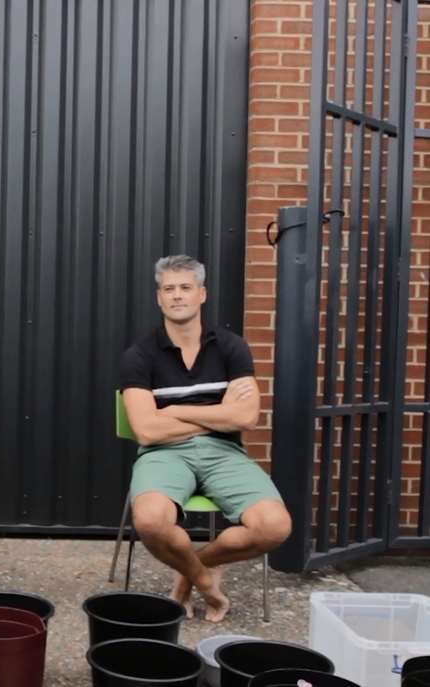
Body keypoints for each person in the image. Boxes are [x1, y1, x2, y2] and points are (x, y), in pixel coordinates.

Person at [119, 254, 291, 622]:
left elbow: (246, 417)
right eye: (169, 289)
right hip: (162, 453)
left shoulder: (231, 347)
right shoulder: (139, 355)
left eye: (185, 287)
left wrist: (175, 411)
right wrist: (218, 416)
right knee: (150, 521)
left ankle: (186, 574)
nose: (177, 296)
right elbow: (147, 429)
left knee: (274, 527)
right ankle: (204, 579)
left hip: (224, 451)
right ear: (159, 298)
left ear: (202, 294)